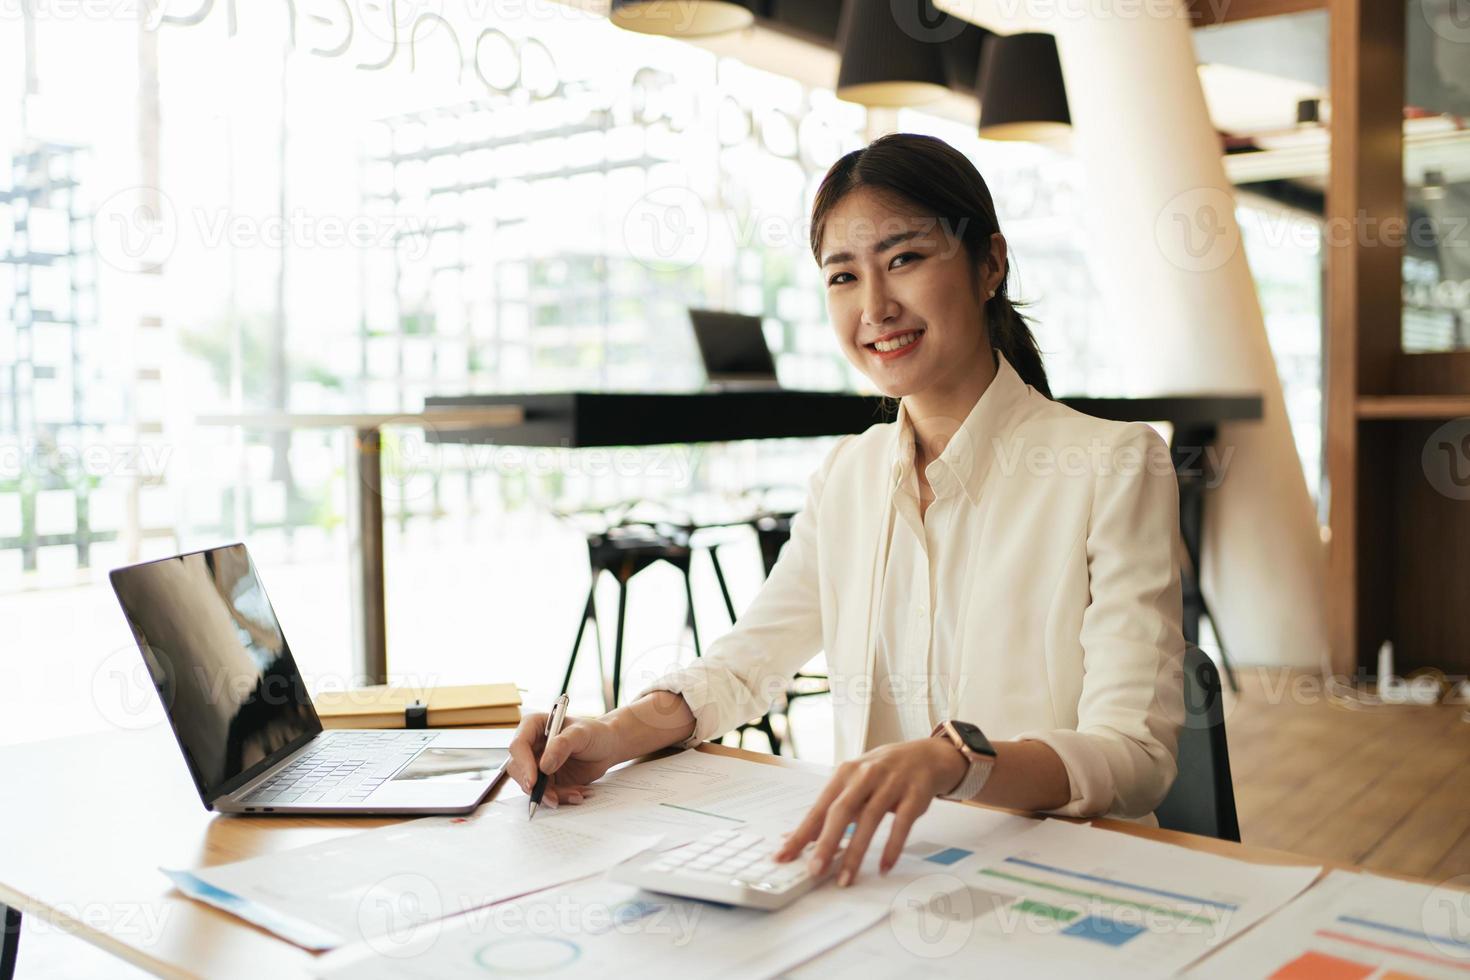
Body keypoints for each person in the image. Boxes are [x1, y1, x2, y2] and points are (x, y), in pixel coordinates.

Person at [507, 132, 1185, 888]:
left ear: (989, 263)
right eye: (842, 276)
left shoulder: (1113, 465)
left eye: (904, 259)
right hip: (889, 877)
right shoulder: (848, 476)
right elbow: (742, 668)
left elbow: (1137, 759)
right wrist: (609, 734)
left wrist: (956, 762)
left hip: (1064, 882)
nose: (875, 307)